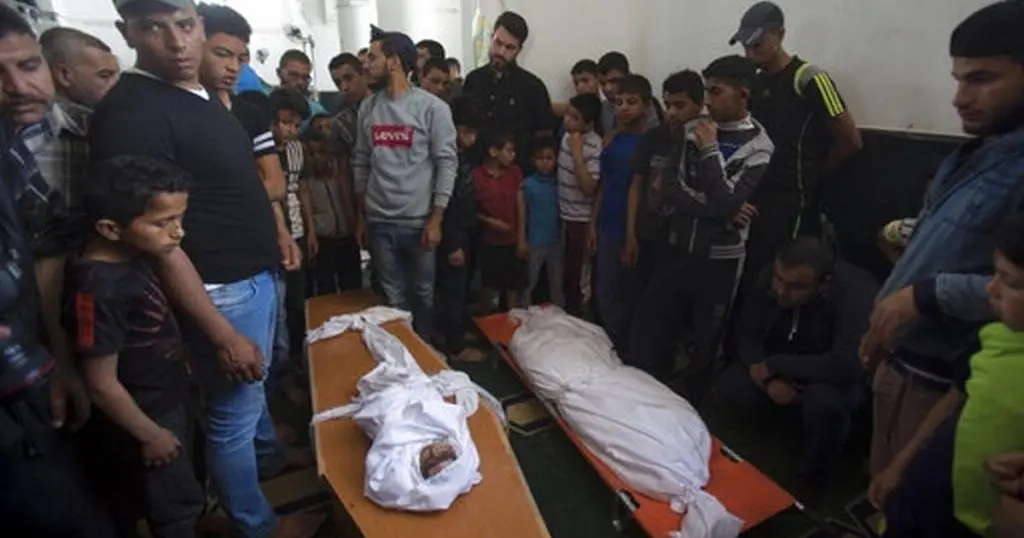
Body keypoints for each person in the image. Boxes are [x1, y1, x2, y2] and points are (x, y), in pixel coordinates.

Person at [91, 1, 323, 535]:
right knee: (230, 416)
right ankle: (257, 525)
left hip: (253, 276)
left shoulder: (200, 97)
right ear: (127, 32)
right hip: (220, 291)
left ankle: (267, 459)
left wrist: (278, 237)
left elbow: (237, 183)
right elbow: (157, 242)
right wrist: (219, 333)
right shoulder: (133, 113)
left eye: (186, 25)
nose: (176, 42)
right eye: (154, 27)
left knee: (254, 393)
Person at [859, 0, 1024, 482]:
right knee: (880, 485)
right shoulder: (975, 152)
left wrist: (925, 295)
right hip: (904, 362)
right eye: (958, 79)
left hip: (952, 380)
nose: (959, 98)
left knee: (916, 496)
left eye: (983, 79)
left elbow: (1013, 289)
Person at [0, 6, 115, 536]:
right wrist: (60, 363)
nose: (18, 87)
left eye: (27, 65)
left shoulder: (95, 133)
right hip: (31, 359)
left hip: (107, 331)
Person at [68, 156, 204, 538]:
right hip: (144, 414)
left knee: (184, 492)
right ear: (110, 228)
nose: (178, 233)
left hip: (168, 394)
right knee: (171, 509)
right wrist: (149, 434)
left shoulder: (136, 255)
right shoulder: (97, 289)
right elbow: (100, 382)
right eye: (163, 223)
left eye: (180, 219)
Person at [629, 55, 773, 400]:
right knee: (653, 324)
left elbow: (726, 199)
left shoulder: (759, 145)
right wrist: (723, 211)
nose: (708, 100)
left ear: (743, 93)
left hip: (721, 258)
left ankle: (693, 408)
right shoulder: (693, 129)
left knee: (707, 335)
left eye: (717, 92)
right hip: (678, 245)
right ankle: (645, 396)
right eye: (707, 91)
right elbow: (671, 189)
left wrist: (710, 152)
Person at [719, 238, 874, 488]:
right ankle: (751, 454)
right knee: (733, 384)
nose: (781, 291)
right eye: (779, 279)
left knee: (826, 405)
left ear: (824, 283)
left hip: (829, 376)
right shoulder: (769, 278)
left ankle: (810, 482)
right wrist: (769, 378)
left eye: (795, 287)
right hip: (779, 363)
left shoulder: (856, 297)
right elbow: (747, 332)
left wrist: (778, 366)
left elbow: (848, 363)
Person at [730, 1, 863, 286]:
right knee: (755, 276)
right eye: (745, 47)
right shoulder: (753, 83)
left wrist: (814, 175)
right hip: (756, 195)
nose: (750, 54)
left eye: (757, 45)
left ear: (779, 35)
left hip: (793, 201)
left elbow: (851, 140)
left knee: (786, 274)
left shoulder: (810, 79)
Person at [353, 25, 457, 338]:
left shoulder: (432, 108)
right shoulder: (368, 108)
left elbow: (447, 163)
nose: (366, 64)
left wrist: (437, 218)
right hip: (380, 223)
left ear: (394, 61)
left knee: (423, 295)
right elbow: (360, 161)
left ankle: (425, 355)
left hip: (419, 223)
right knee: (393, 298)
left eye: (373, 57)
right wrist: (362, 216)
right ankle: (405, 359)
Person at [196, 2, 299, 276]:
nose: (233, 67)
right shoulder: (183, 113)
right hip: (210, 261)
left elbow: (276, 186)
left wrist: (210, 200)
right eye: (222, 54)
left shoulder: (249, 114)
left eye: (241, 59)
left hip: (257, 245)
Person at [622, 70, 705, 359]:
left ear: (699, 104)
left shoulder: (705, 143)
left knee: (670, 311)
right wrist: (630, 233)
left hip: (684, 242)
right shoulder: (653, 138)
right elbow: (636, 185)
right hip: (647, 233)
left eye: (680, 106)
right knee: (637, 300)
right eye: (668, 104)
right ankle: (636, 360)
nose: (672, 112)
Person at [591, 74, 650, 351]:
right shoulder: (612, 138)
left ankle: (627, 348)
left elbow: (638, 191)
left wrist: (631, 235)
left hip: (632, 227)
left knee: (630, 293)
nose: (624, 108)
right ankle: (610, 346)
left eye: (631, 102)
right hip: (607, 222)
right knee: (604, 291)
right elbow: (604, 183)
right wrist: (593, 224)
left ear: (647, 106)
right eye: (618, 102)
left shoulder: (651, 142)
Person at [463, 11, 554, 172]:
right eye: (498, 43)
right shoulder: (474, 80)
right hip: (477, 173)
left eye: (509, 47)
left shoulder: (533, 87)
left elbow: (543, 138)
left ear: (519, 49)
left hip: (518, 176)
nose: (501, 52)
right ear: (491, 37)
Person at [37, 27, 119, 203]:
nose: (116, 86)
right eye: (105, 76)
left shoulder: (100, 122)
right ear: (64, 74)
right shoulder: (36, 132)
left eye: (116, 76)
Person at [439, 96, 483, 362]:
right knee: (452, 289)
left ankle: (455, 330)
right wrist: (453, 243)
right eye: (464, 131)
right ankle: (455, 346)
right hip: (451, 234)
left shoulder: (463, 154)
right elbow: (447, 204)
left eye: (473, 132)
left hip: (466, 229)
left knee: (461, 287)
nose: (470, 138)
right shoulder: (446, 157)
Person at [557, 92, 603, 316]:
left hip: (582, 219)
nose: (567, 120)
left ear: (589, 123)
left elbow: (588, 188)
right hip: (563, 214)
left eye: (574, 117)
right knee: (565, 272)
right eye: (567, 114)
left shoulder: (595, 147)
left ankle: (581, 316)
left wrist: (577, 152)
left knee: (580, 275)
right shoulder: (566, 136)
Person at [301, 129, 360, 295]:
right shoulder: (307, 184)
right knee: (326, 288)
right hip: (323, 240)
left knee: (352, 287)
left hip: (347, 237)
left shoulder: (342, 179)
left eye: (322, 152)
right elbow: (309, 212)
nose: (317, 158)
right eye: (311, 154)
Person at [473, 130, 526, 310]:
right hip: (489, 243)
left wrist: (521, 239)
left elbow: (521, 207)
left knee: (513, 288)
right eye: (508, 150)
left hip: (512, 241)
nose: (513, 155)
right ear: (493, 151)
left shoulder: (515, 173)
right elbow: (470, 210)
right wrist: (490, 222)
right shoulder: (476, 176)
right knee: (489, 290)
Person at [520, 136, 563, 307]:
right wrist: (522, 240)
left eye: (549, 158)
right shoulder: (528, 184)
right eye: (540, 158)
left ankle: (560, 319)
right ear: (533, 160)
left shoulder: (559, 183)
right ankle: (523, 316)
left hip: (556, 242)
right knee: (528, 282)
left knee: (557, 284)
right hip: (534, 241)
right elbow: (523, 214)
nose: (545, 162)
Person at [597, 51, 661, 136]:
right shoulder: (604, 108)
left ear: (629, 75)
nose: (607, 89)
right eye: (602, 83)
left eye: (614, 81)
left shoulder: (646, 105)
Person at [276, 48, 327, 121]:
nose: (300, 82)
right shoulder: (265, 105)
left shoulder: (317, 113)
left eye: (305, 77)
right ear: (279, 73)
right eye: (293, 75)